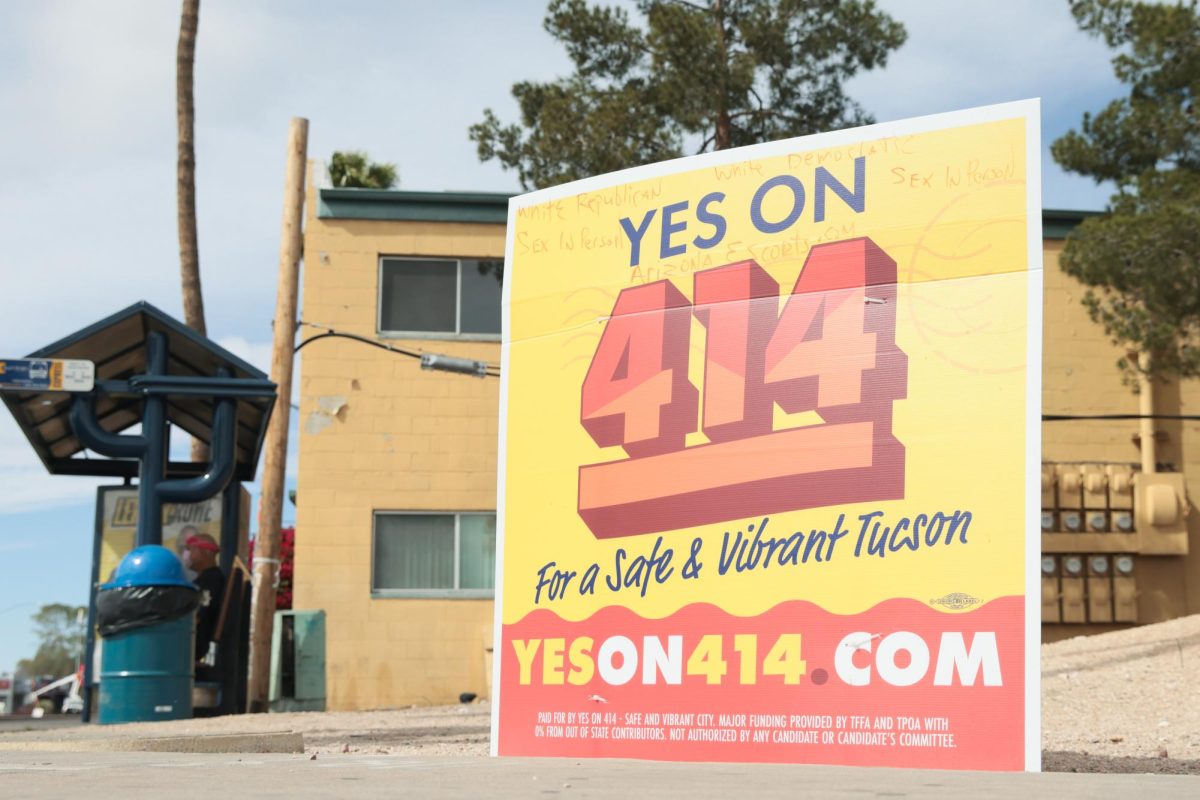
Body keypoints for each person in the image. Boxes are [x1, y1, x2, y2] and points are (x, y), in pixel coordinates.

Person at [183, 533, 224, 665]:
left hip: (197, 650)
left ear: (204, 552)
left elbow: (198, 617)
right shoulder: (202, 580)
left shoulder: (211, 580)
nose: (187, 555)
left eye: (190, 549)